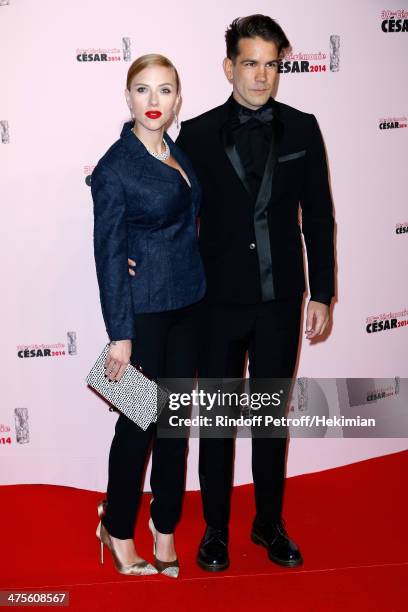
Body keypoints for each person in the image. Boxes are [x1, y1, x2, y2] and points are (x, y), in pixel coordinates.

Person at [168, 14, 335, 571]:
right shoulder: (193, 134)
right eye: (250, 63)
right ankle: (216, 529)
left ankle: (268, 523)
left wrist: (323, 291)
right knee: (217, 421)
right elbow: (174, 214)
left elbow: (318, 213)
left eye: (271, 64)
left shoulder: (304, 128)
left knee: (269, 420)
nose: (262, 76)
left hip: (282, 299)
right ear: (228, 66)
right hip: (214, 301)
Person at [91, 53, 206, 578]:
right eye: (143, 90)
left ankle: (164, 527)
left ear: (178, 99)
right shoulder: (116, 167)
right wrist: (120, 334)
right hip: (143, 315)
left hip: (189, 304)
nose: (153, 101)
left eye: (164, 91)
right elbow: (109, 252)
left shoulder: (177, 153)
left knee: (176, 427)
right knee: (139, 426)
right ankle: (116, 529)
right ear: (128, 97)